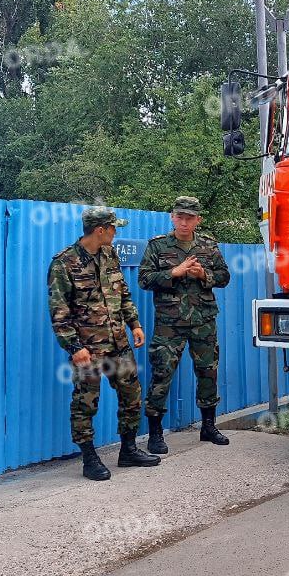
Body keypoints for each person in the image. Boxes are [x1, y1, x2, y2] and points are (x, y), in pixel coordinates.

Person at [48, 207, 160, 481]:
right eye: (113, 227)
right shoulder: (64, 263)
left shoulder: (110, 254)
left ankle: (129, 450)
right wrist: (74, 348)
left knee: (132, 395)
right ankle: (89, 458)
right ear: (100, 230)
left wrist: (134, 323)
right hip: (88, 349)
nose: (116, 232)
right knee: (85, 403)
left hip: (118, 343)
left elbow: (122, 291)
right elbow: (58, 311)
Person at [140, 196, 232, 454]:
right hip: (170, 324)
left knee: (208, 373)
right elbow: (144, 280)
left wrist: (205, 275)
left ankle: (209, 427)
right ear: (172, 217)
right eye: (179, 216)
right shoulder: (157, 246)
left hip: (203, 320)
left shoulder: (208, 246)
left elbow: (224, 276)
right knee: (162, 375)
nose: (183, 222)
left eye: (189, 217)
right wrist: (174, 273)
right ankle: (155, 434)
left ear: (197, 220)